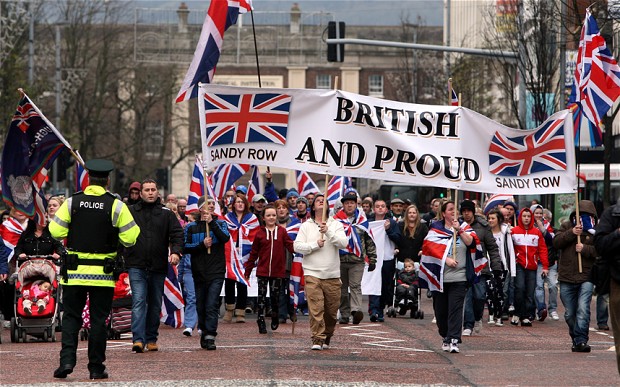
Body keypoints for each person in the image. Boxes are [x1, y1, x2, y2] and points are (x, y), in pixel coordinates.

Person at [50, 159, 140, 380]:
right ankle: (96, 368)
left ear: (88, 179)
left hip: (74, 274)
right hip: (103, 275)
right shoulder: (116, 205)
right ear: (107, 181)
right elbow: (130, 238)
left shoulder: (72, 203)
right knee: (99, 321)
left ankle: (67, 362)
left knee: (71, 318)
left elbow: (54, 230)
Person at [124, 179, 183, 353]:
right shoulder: (130, 212)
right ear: (141, 193)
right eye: (147, 190)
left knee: (155, 303)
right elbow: (119, 233)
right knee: (139, 301)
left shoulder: (166, 214)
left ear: (158, 192)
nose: (150, 192)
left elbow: (177, 235)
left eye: (153, 189)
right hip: (136, 264)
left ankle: (151, 338)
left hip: (158, 266)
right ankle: (138, 339)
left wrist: (176, 252)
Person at [419, 200, 481, 354]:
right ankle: (445, 335)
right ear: (444, 213)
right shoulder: (435, 229)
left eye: (456, 210)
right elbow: (428, 248)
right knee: (441, 312)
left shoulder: (465, 227)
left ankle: (454, 339)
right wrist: (445, 259)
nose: (454, 212)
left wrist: (459, 230)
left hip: (459, 277)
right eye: (450, 210)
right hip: (440, 278)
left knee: (455, 309)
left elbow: (472, 243)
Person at [294, 193, 348, 350]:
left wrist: (329, 231)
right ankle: (317, 338)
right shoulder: (306, 226)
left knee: (331, 312)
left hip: (331, 275)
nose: (320, 203)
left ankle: (327, 335)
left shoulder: (336, 224)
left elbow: (343, 243)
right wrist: (314, 245)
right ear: (313, 206)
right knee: (316, 308)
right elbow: (297, 246)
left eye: (323, 201)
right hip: (312, 273)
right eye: (317, 201)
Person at [183, 196, 230, 350]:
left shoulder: (221, 223)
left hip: (216, 270)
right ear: (200, 208)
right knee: (201, 304)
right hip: (199, 271)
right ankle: (203, 330)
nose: (211, 206)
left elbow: (225, 238)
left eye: (212, 204)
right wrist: (201, 244)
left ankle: (211, 334)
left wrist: (212, 223)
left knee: (211, 303)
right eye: (207, 203)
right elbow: (185, 247)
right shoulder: (191, 227)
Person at [555, 200, 598, 353]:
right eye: (582, 215)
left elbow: (601, 250)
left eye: (588, 215)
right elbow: (556, 242)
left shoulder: (596, 230)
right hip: (567, 276)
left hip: (586, 276)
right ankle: (576, 337)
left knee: (583, 309)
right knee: (569, 313)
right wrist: (572, 233)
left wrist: (585, 249)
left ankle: (581, 340)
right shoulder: (567, 226)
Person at [245, 205, 295, 334]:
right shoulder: (259, 234)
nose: (271, 217)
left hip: (278, 271)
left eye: (273, 215)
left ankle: (274, 315)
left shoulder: (282, 232)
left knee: (275, 296)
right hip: (262, 271)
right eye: (268, 215)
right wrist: (248, 270)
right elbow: (254, 253)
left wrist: (302, 251)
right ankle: (260, 319)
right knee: (261, 296)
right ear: (263, 218)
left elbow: (290, 246)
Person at [334, 189, 377, 325]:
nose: (350, 205)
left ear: (356, 205)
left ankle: (356, 311)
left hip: (357, 260)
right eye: (347, 203)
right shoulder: (336, 221)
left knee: (355, 286)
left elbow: (369, 240)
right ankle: (345, 314)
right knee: (341, 288)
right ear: (343, 205)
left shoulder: (362, 220)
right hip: (340, 259)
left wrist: (372, 259)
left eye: (352, 203)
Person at [459, 200, 501, 337]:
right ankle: (468, 324)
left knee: (480, 296)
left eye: (468, 211)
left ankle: (477, 317)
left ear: (473, 211)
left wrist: (496, 266)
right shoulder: (459, 225)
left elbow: (492, 248)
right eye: (464, 211)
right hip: (464, 266)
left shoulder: (483, 226)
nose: (466, 213)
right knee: (468, 296)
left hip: (480, 266)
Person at [223, 193, 259, 323]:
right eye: (237, 202)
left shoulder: (252, 218)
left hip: (245, 256)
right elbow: (224, 235)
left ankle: (240, 311)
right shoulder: (227, 218)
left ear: (246, 204)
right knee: (229, 282)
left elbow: (255, 237)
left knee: (243, 283)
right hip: (230, 255)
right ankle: (229, 309)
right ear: (233, 204)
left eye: (242, 202)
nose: (239, 204)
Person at [511, 207, 549, 326]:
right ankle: (517, 313)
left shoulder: (537, 232)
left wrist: (545, 266)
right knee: (520, 288)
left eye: (528, 216)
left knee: (530, 291)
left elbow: (543, 250)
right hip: (519, 265)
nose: (526, 218)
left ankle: (526, 316)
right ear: (520, 217)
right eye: (524, 216)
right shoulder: (514, 231)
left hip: (532, 266)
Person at [368, 199, 401, 321]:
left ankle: (380, 309)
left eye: (383, 206)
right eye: (377, 206)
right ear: (374, 209)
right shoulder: (370, 223)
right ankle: (373, 310)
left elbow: (398, 239)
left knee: (385, 285)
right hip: (373, 258)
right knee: (373, 283)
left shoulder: (391, 223)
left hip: (387, 258)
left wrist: (388, 230)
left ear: (386, 209)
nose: (380, 208)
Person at [487, 209, 514, 326]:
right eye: (489, 218)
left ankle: (499, 315)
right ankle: (491, 314)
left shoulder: (505, 232)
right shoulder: (486, 232)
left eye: (493, 218)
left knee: (500, 291)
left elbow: (510, 251)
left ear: (498, 220)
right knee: (490, 290)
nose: (490, 221)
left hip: (502, 266)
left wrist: (512, 269)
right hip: (489, 265)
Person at [531, 204, 558, 321]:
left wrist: (542, 228)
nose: (538, 215)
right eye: (536, 213)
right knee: (539, 286)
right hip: (538, 262)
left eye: (540, 213)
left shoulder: (549, 227)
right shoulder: (529, 227)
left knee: (553, 285)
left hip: (550, 262)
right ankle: (541, 309)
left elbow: (551, 241)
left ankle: (553, 309)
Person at [178, 212, 199, 337]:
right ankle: (189, 325)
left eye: (190, 220)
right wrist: (180, 276)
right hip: (188, 270)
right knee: (191, 298)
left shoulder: (200, 234)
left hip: (201, 270)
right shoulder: (184, 235)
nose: (187, 223)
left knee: (202, 298)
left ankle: (202, 325)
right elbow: (182, 256)